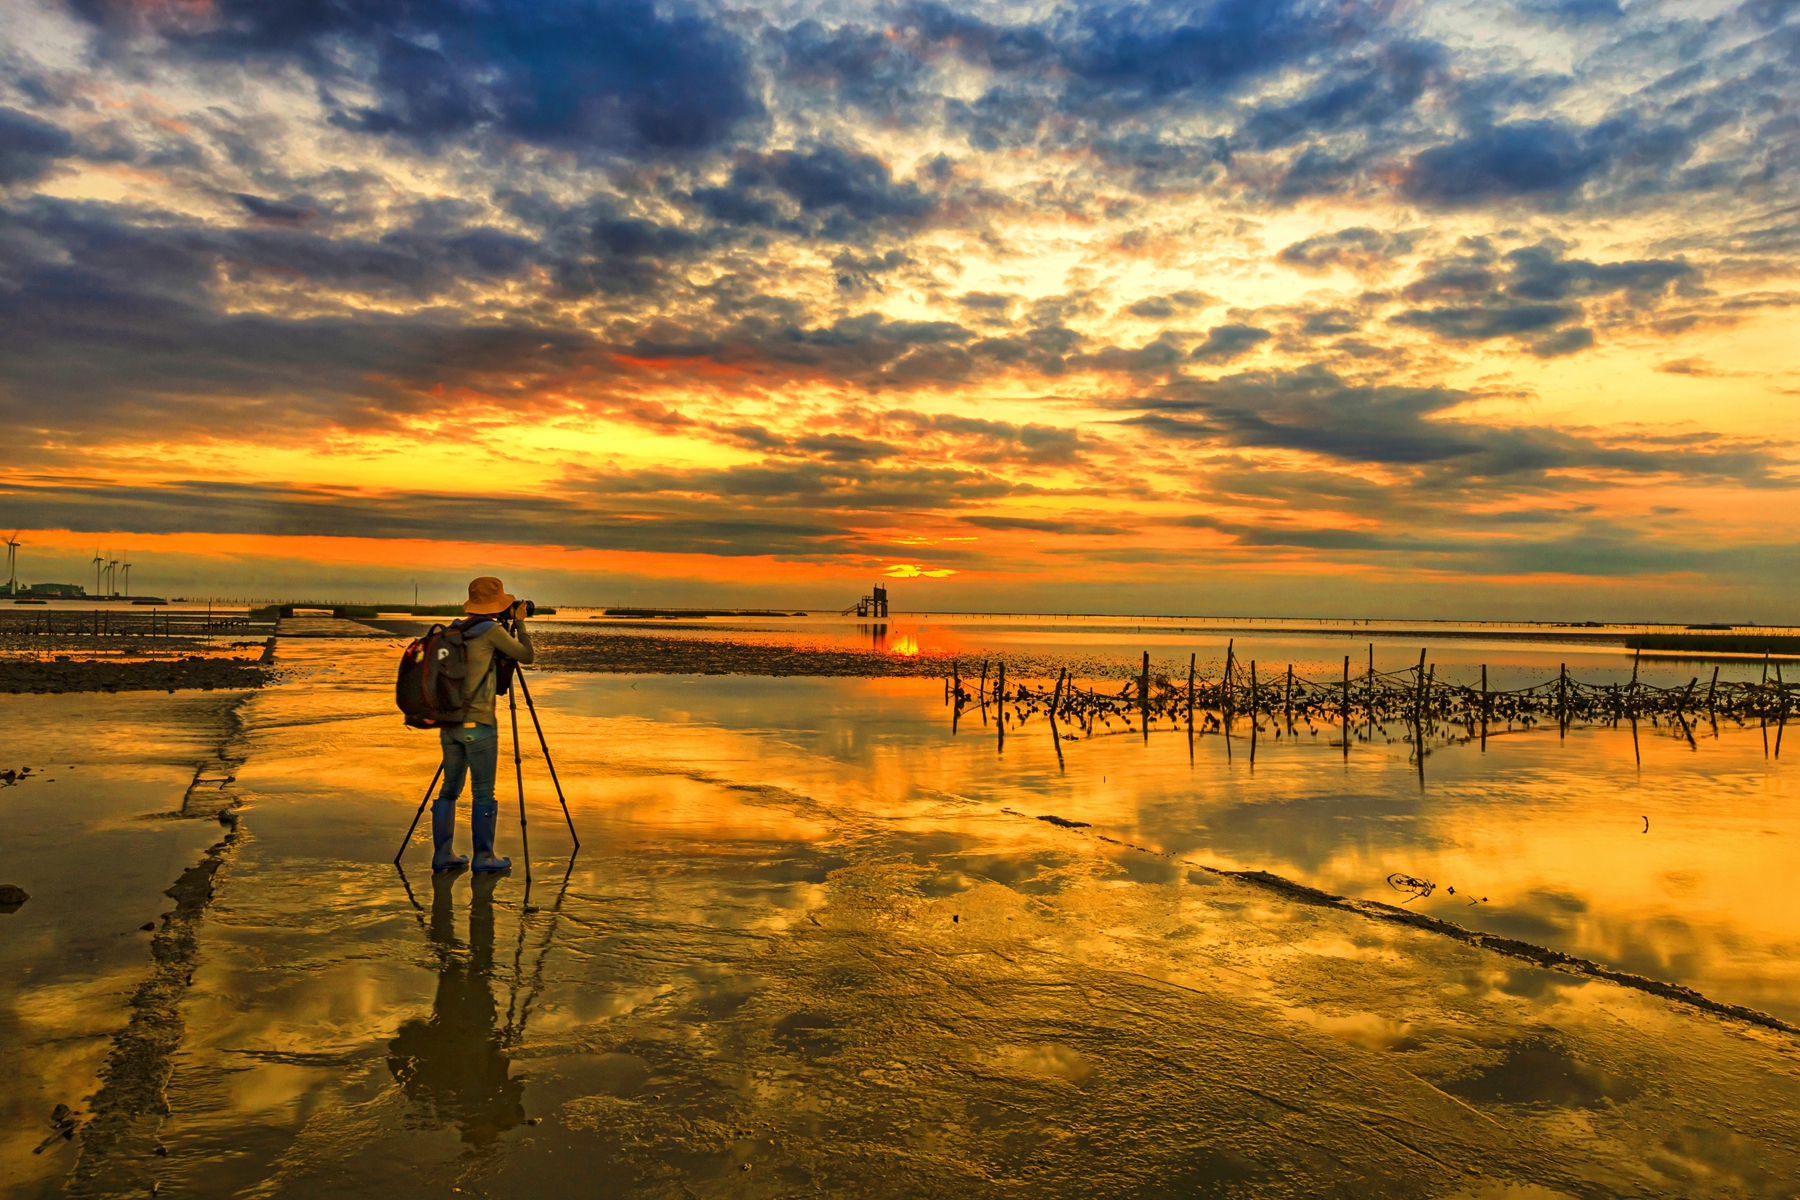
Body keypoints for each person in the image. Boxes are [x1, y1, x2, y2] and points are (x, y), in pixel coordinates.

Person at [432, 576, 534, 874]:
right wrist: (521, 624)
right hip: (479, 725)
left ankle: (442, 856)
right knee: (483, 791)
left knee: (449, 788)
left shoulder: (453, 629)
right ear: (497, 604)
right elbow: (526, 656)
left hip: (449, 723)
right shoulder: (491, 631)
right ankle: (484, 858)